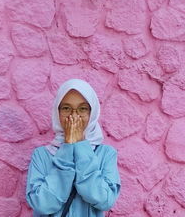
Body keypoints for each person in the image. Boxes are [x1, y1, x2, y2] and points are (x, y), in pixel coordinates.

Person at [26, 78, 121, 216]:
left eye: (82, 109)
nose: (74, 116)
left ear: (92, 113)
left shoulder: (106, 154)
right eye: (66, 108)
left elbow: (104, 200)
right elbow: (42, 204)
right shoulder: (41, 155)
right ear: (57, 113)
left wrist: (81, 145)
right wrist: (68, 148)